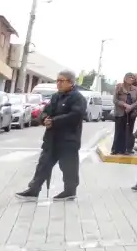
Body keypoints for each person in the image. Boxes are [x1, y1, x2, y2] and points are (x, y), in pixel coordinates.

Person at [16, 70, 87, 201]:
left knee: (68, 166)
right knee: (43, 164)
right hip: (51, 138)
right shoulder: (56, 97)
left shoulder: (78, 98)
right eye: (57, 80)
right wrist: (44, 120)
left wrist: (54, 121)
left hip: (68, 140)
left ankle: (70, 191)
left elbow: (75, 116)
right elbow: (45, 112)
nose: (58, 83)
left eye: (62, 81)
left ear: (70, 83)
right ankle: (34, 189)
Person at [111, 73, 137, 155]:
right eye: (130, 77)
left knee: (129, 132)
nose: (132, 79)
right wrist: (124, 105)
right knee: (119, 131)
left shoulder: (135, 89)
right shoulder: (119, 87)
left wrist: (131, 106)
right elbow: (115, 100)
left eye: (133, 78)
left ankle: (127, 149)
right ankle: (116, 149)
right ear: (125, 78)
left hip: (131, 113)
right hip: (120, 112)